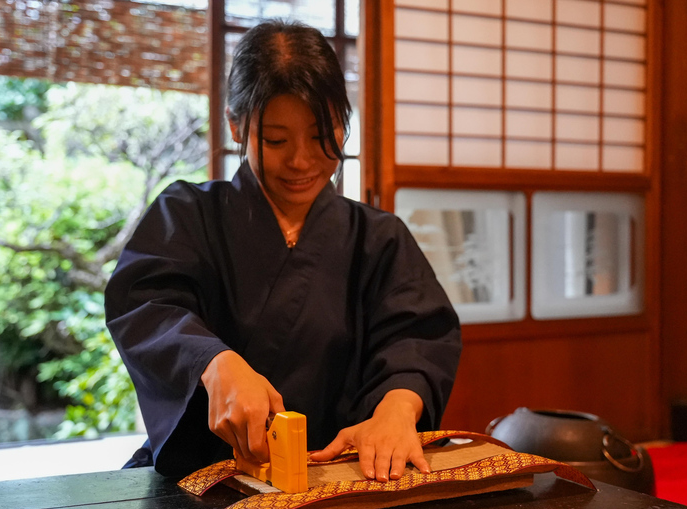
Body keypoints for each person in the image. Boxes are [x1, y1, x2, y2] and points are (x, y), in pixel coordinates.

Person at [104, 20, 462, 483]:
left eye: (322, 136)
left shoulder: (378, 238)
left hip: (342, 480)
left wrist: (396, 409)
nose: (301, 160)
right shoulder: (187, 214)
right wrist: (214, 362)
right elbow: (146, 306)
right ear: (235, 124)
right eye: (275, 140)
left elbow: (418, 339)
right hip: (206, 480)